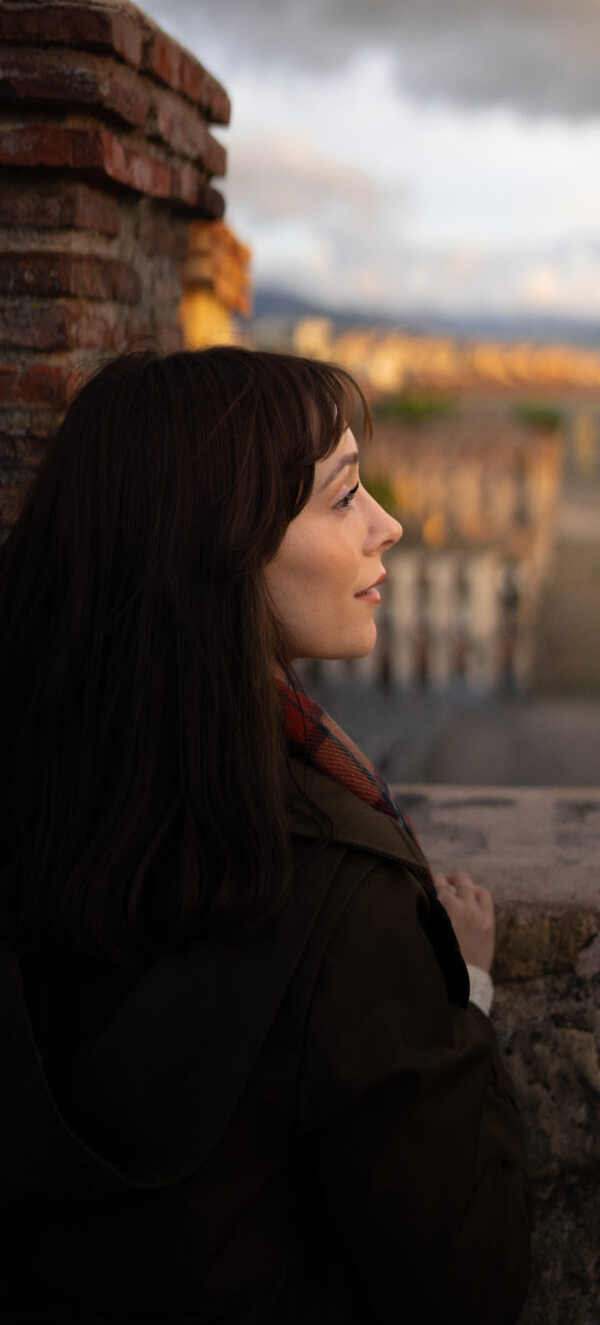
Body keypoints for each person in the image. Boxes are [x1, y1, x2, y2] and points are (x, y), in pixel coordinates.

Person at [0, 346, 531, 1323]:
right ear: (222, 546)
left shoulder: (46, 775)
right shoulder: (342, 894)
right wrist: (466, 995)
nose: (389, 523)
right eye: (342, 497)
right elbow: (468, 1277)